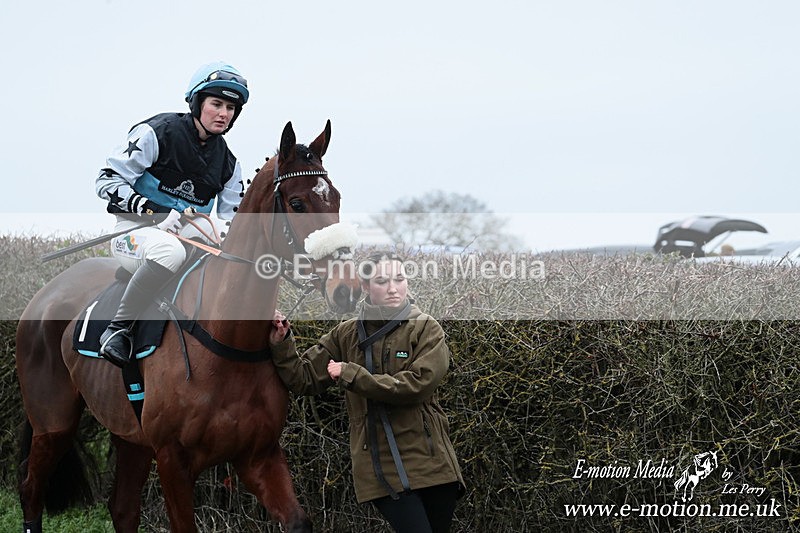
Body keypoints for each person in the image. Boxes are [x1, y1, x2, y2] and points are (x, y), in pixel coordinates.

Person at [269, 252, 465, 533]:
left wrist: (351, 374)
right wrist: (282, 342)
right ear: (364, 286)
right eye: (382, 280)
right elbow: (303, 379)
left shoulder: (426, 328)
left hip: (431, 465)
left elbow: (416, 385)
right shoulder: (345, 335)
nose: (393, 287)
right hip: (380, 469)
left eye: (399, 278)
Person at [95, 61, 250, 367]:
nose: (223, 114)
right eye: (216, 104)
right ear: (197, 103)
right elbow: (106, 180)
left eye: (230, 108)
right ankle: (117, 329)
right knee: (168, 250)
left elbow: (233, 221)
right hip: (133, 233)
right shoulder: (156, 132)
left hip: (189, 235)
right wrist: (153, 210)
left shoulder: (229, 164)